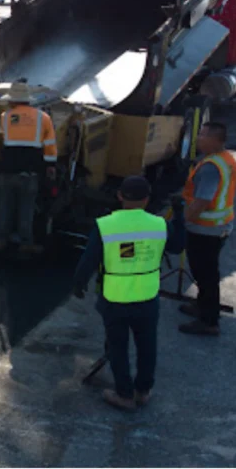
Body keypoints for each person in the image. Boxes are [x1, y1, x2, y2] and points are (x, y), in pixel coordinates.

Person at [73, 176, 186, 411]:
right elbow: (177, 246)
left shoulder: (105, 225)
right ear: (147, 199)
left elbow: (88, 261)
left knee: (117, 346)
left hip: (115, 299)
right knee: (147, 345)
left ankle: (124, 394)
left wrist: (79, 283)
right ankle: (143, 391)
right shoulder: (159, 225)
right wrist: (179, 215)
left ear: (120, 196)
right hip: (147, 298)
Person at [179, 121, 236, 336]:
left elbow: (203, 200)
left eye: (203, 135)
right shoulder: (225, 159)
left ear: (215, 140)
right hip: (218, 227)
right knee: (205, 272)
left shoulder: (212, 167)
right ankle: (202, 305)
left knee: (206, 274)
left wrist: (186, 218)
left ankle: (209, 320)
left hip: (206, 229)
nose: (198, 138)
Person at [0, 79, 57, 254]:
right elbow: (50, 144)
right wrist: (50, 165)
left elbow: (4, 136)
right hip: (30, 171)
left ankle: (1, 241)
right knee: (26, 209)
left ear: (12, 100)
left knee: (5, 207)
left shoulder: (5, 117)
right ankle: (25, 243)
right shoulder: (43, 118)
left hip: (7, 170)